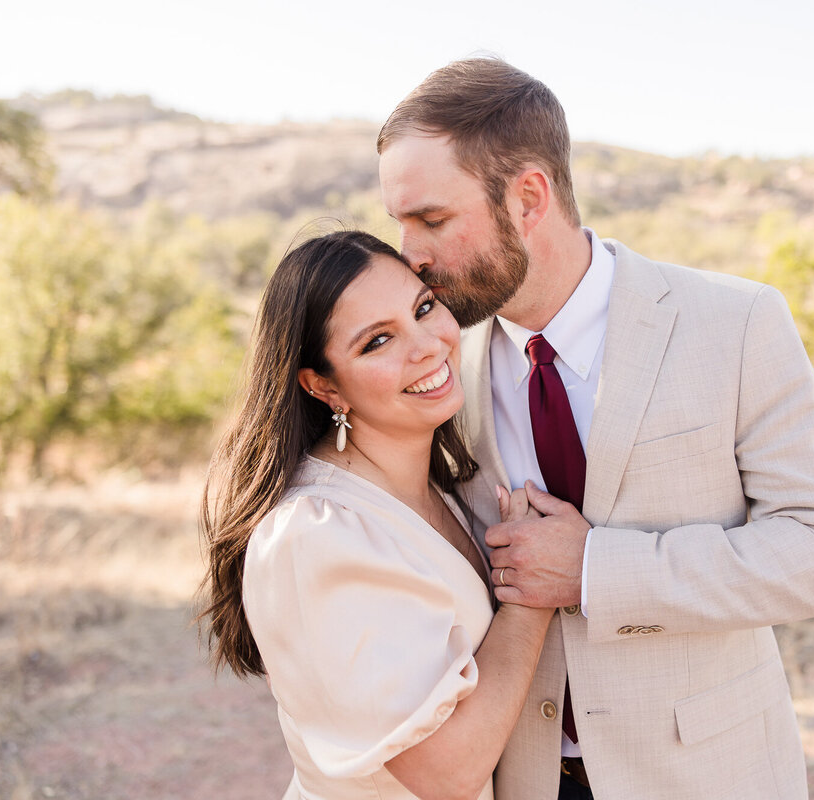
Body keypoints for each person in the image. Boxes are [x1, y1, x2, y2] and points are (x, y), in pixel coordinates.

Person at [377, 59, 814, 799]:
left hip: (707, 774)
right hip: (523, 780)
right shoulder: (439, 369)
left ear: (528, 199)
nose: (410, 255)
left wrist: (595, 571)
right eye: (399, 223)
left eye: (431, 220)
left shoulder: (734, 322)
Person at [199, 230, 557, 800]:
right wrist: (531, 590)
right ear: (323, 386)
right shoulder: (316, 534)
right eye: (377, 342)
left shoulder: (451, 484)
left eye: (423, 308)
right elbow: (446, 771)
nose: (427, 346)